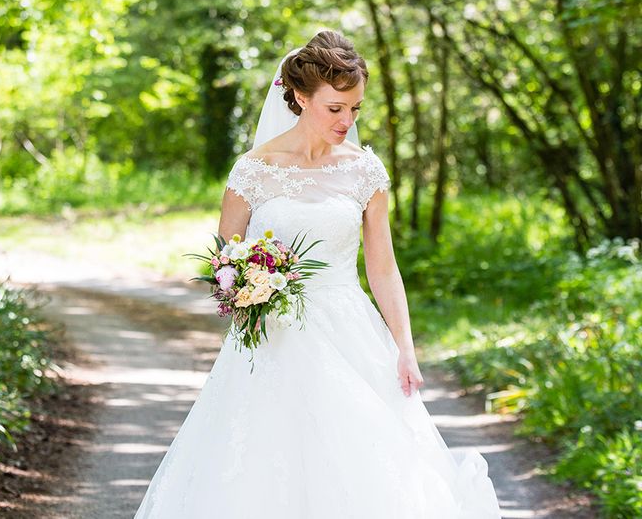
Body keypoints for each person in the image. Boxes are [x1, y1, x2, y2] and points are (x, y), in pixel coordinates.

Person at [134, 30, 501, 518]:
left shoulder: (366, 172)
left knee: (365, 464)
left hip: (351, 333)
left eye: (355, 109)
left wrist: (406, 348)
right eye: (335, 109)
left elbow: (384, 270)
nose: (346, 121)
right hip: (272, 337)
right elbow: (225, 261)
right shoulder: (252, 172)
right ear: (300, 97)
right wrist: (247, 295)